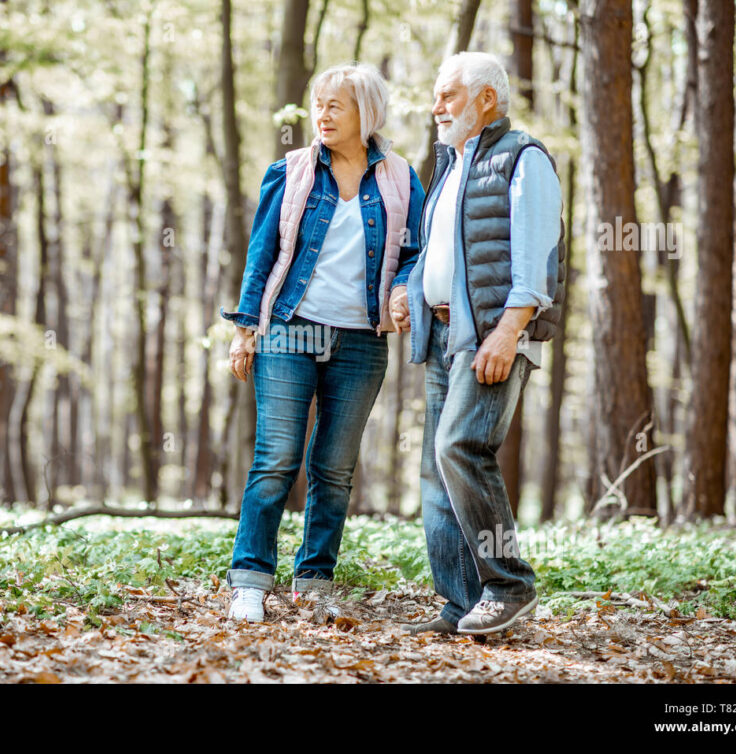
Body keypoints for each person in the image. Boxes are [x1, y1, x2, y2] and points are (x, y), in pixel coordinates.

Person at [219, 63, 426, 624]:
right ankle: (250, 581)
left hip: (361, 340)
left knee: (334, 469)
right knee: (277, 458)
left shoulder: (403, 179)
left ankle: (314, 580)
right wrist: (244, 330)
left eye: (336, 104)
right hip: (288, 329)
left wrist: (405, 290)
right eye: (318, 103)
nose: (323, 114)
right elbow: (262, 253)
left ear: (367, 112)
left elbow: (415, 251)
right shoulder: (291, 172)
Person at [396, 52, 565, 635]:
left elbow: (537, 260)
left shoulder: (523, 158)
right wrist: (411, 292)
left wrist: (508, 331)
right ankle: (461, 602)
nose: (434, 106)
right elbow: (436, 252)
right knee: (436, 469)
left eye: (447, 95)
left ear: (485, 99)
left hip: (492, 332)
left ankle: (509, 584)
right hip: (443, 332)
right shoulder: (453, 165)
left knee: (460, 447)